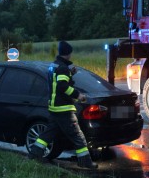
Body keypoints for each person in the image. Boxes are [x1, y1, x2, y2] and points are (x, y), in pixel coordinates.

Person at [28, 41, 98, 170]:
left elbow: (58, 82)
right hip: (64, 108)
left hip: (54, 107)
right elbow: (63, 86)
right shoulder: (62, 68)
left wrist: (71, 74)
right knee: (77, 135)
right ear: (68, 53)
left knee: (48, 133)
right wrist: (78, 95)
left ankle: (34, 154)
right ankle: (85, 161)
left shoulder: (54, 66)